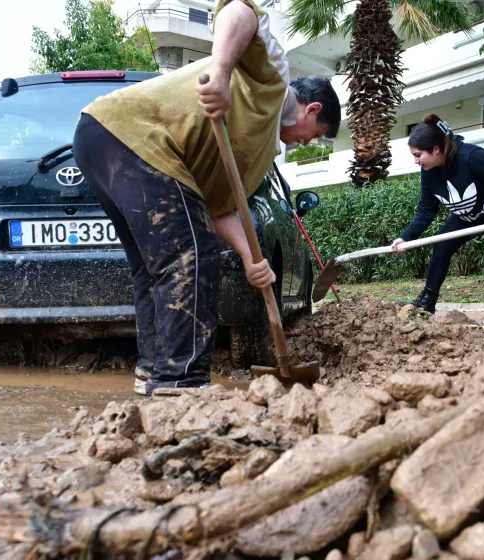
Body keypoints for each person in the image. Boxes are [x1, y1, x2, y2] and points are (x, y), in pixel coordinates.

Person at [72, 0, 341, 395]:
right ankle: (180, 383)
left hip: (101, 136)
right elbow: (239, 9)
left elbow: (216, 209)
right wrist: (220, 72)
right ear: (311, 110)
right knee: (193, 256)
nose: (306, 143)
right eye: (314, 135)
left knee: (156, 266)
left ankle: (154, 373)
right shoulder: (275, 85)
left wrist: (250, 259)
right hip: (128, 131)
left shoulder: (260, 154)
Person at [392, 113, 484, 325]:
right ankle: (427, 302)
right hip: (466, 215)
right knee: (441, 247)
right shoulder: (428, 172)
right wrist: (406, 237)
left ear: (436, 149)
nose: (415, 161)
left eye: (418, 155)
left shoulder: (471, 157)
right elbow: (426, 209)